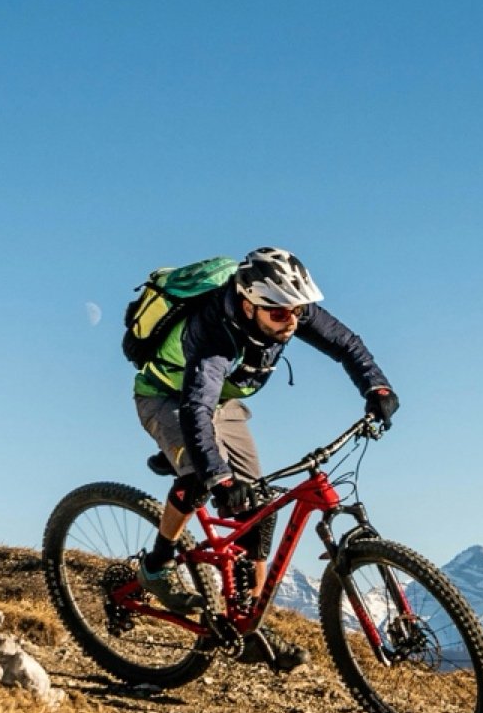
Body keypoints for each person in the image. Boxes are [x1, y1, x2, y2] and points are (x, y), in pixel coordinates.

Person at [132, 246, 399, 668]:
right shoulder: (213, 331)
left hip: (224, 401)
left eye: (298, 310)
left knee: (259, 502)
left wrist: (376, 387)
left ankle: (247, 625)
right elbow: (196, 408)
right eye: (279, 314)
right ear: (248, 303)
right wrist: (217, 476)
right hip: (169, 399)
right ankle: (157, 565)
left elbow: (346, 344)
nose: (292, 321)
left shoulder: (286, 308)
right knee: (199, 482)